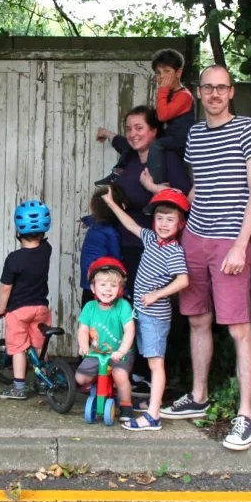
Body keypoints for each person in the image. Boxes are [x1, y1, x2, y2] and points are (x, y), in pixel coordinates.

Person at [161, 65, 251, 453]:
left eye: (222, 88)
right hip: (194, 239)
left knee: (239, 327)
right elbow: (200, 185)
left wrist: (242, 243)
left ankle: (246, 415)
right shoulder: (195, 134)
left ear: (231, 92)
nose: (215, 94)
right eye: (209, 87)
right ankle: (199, 395)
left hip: (229, 242)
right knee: (197, 320)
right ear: (200, 92)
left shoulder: (248, 129)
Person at [96, 106, 192, 397]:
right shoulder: (131, 157)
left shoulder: (166, 158)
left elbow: (182, 198)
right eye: (129, 128)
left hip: (158, 249)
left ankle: (163, 375)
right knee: (133, 309)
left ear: (154, 132)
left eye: (140, 128)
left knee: (158, 311)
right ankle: (136, 373)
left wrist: (151, 187)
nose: (133, 134)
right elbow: (121, 142)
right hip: (130, 244)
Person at [102, 187, 190, 432]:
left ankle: (153, 415)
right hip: (142, 312)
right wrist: (111, 203)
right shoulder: (152, 239)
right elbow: (131, 225)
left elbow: (183, 280)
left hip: (155, 316)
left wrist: (156, 295)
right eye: (159, 218)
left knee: (155, 363)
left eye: (170, 219)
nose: (163, 223)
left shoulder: (174, 251)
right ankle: (154, 402)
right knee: (148, 359)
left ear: (180, 224)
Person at [96, 49, 195, 186]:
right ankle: (118, 171)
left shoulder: (184, 95)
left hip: (181, 140)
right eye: (158, 73)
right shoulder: (170, 94)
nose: (161, 77)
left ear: (178, 72)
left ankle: (159, 183)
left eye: (167, 72)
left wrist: (162, 90)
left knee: (156, 144)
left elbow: (162, 115)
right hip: (170, 136)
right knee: (133, 144)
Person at [0, 200, 53, 400]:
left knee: (18, 347)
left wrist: (1, 309)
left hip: (19, 311)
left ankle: (18, 387)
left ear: (18, 230)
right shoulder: (46, 250)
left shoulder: (14, 259)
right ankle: (44, 382)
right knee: (38, 344)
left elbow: (6, 287)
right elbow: (42, 243)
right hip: (41, 308)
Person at [75, 256, 136, 423]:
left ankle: (126, 405)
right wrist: (83, 345)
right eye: (102, 285)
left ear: (120, 289)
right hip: (97, 354)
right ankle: (98, 385)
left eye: (113, 285)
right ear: (93, 288)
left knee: (120, 375)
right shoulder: (89, 307)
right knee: (80, 379)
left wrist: (122, 351)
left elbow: (129, 331)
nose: (108, 289)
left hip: (119, 354)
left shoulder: (123, 306)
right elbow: (83, 329)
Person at [78, 185, 127, 309]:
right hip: (100, 278)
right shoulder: (111, 232)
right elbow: (116, 260)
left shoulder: (95, 223)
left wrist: (85, 219)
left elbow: (90, 218)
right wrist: (126, 291)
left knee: (88, 310)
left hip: (87, 275)